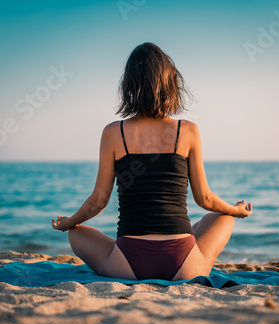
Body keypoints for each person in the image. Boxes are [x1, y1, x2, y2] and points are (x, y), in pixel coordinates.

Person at [52, 42, 252, 281]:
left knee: (76, 233)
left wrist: (68, 222)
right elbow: (205, 198)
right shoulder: (187, 131)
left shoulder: (114, 133)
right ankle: (199, 261)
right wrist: (236, 210)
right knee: (222, 218)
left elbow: (97, 202)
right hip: (183, 265)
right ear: (171, 84)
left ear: (129, 86)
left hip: (127, 263)